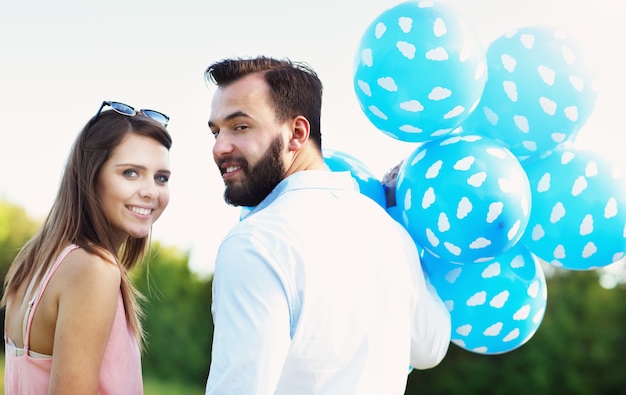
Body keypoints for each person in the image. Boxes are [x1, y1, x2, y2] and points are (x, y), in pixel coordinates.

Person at [204, 56, 451, 395]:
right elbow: (430, 348)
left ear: (297, 133)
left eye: (240, 126)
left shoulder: (254, 243)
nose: (219, 147)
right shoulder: (391, 233)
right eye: (216, 131)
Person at [2, 101, 172, 394]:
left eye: (161, 178)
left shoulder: (34, 261)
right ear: (92, 176)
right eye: (131, 172)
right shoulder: (94, 269)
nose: (150, 191)